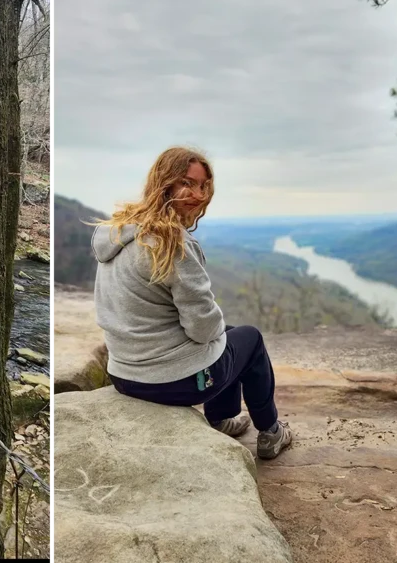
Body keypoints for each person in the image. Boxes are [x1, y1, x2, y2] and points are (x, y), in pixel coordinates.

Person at [91, 146, 293, 459]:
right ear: (165, 183)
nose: (197, 195)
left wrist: (217, 329)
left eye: (203, 186)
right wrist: (216, 325)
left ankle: (223, 419)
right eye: (187, 183)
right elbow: (203, 328)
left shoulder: (119, 232)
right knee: (248, 338)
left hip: (124, 373)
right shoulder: (170, 243)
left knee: (227, 336)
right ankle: (271, 432)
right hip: (172, 383)